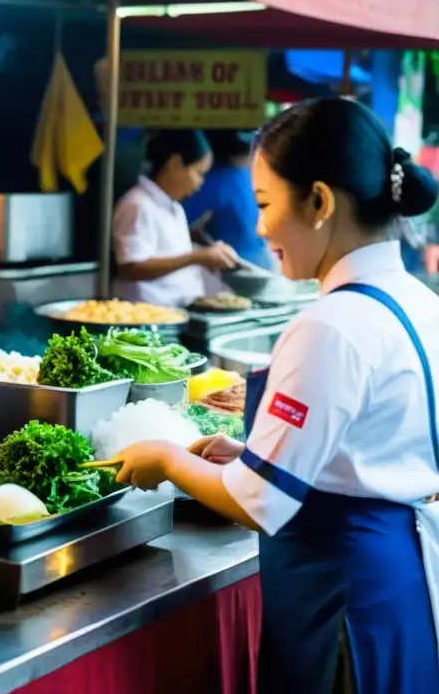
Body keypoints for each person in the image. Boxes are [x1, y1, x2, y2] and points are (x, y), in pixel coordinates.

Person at [111, 98, 439, 693]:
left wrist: (167, 459)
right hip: (400, 586)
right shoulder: (421, 302)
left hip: (344, 599)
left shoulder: (331, 325)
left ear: (319, 201)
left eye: (265, 205)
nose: (259, 227)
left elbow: (259, 503)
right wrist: (253, 455)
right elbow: (366, 452)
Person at [112, 129, 238, 306]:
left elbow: (172, 255)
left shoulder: (175, 208)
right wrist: (196, 257)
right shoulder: (137, 205)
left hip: (178, 311)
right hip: (147, 317)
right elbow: (131, 267)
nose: (200, 183)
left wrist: (206, 255)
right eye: (199, 173)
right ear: (175, 163)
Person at [181, 130, 274, 270]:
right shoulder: (248, 174)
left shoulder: (217, 181)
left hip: (246, 266)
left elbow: (182, 227)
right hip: (252, 264)